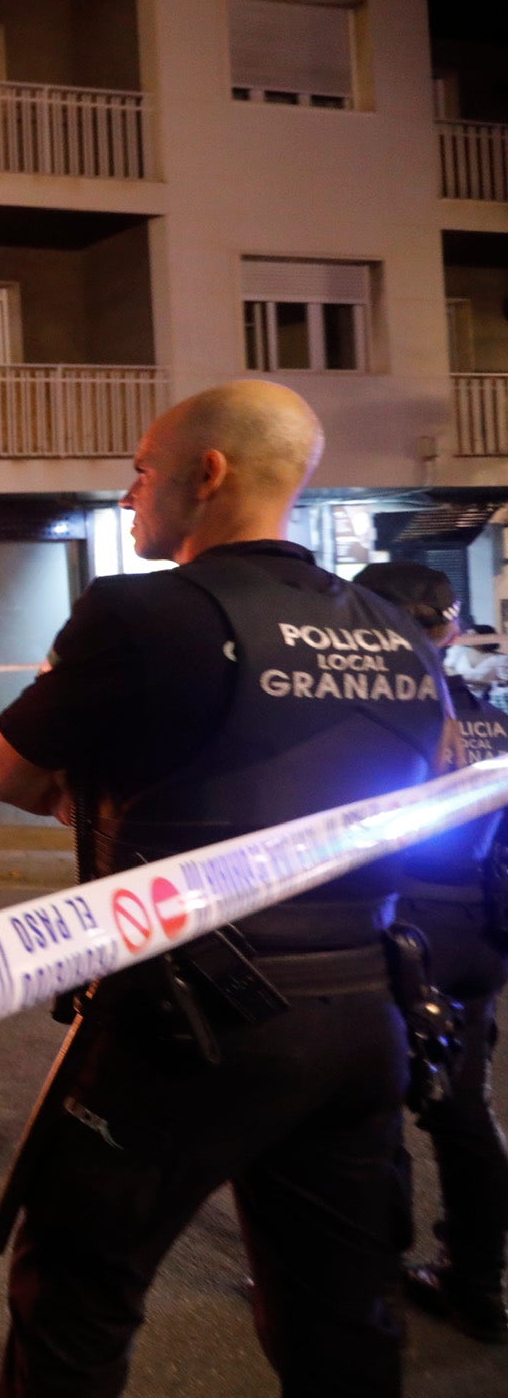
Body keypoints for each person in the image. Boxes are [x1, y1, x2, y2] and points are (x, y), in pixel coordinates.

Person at [0, 380, 447, 1397]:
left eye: (141, 470)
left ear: (208, 473)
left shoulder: (143, 614)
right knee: (342, 1320)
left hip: (184, 1020)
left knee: (77, 1296)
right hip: (364, 1011)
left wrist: (99, 792)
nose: (129, 493)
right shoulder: (393, 627)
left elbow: (3, 772)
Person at [354, 562, 508, 1344]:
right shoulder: (492, 719)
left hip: (388, 930)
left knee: (364, 1111)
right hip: (477, 935)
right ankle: (477, 1285)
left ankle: (364, 1285)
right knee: (465, 1114)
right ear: (449, 629)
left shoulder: (360, 718)